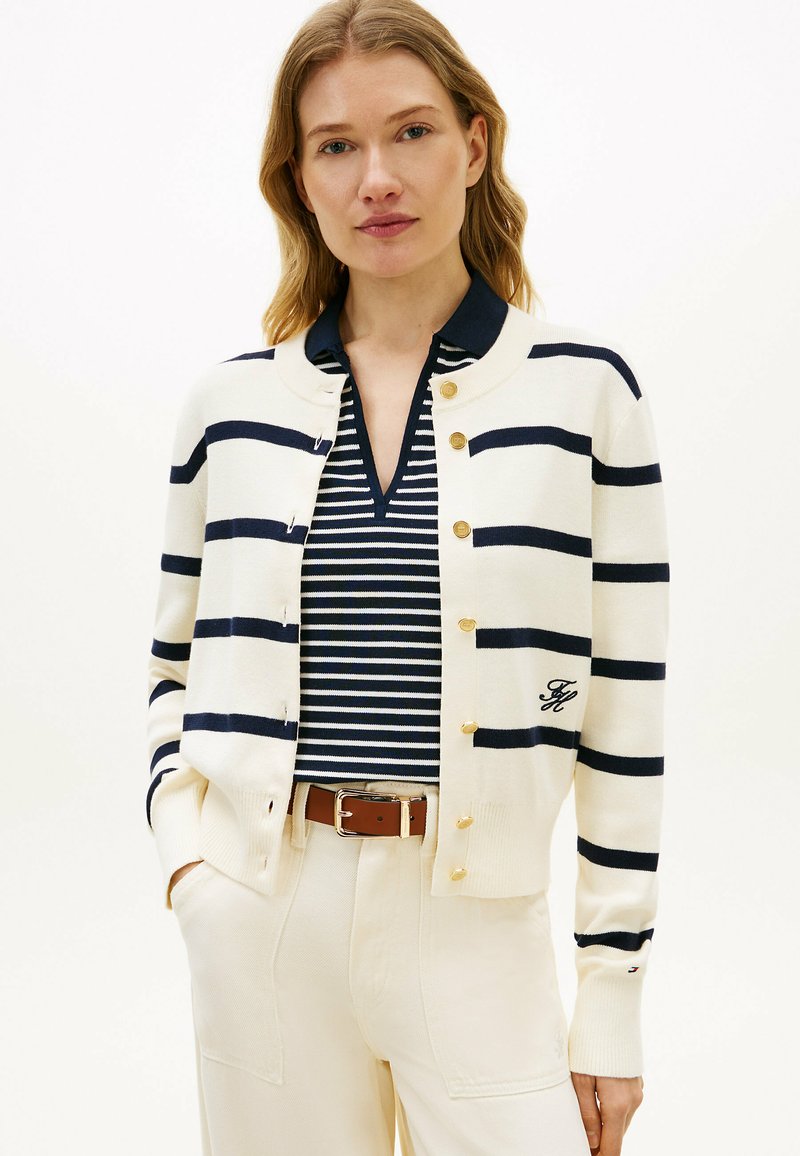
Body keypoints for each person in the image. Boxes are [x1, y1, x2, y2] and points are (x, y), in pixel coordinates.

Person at [146, 1, 668, 1153]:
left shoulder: (585, 395)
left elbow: (624, 712)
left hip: (475, 924)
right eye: (335, 145)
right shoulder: (228, 409)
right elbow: (172, 670)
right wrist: (192, 871)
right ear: (298, 180)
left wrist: (610, 995)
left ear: (473, 145)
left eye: (411, 131)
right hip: (261, 916)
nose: (376, 177)